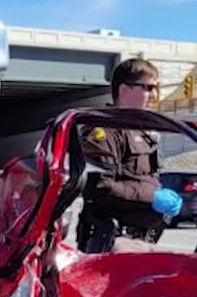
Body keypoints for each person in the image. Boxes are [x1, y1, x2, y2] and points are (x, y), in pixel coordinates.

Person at [74, 58, 182, 252]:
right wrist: (152, 197)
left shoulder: (142, 132)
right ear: (124, 90)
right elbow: (98, 186)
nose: (154, 95)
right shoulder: (103, 132)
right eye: (148, 88)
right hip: (113, 241)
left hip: (141, 237)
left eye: (156, 88)